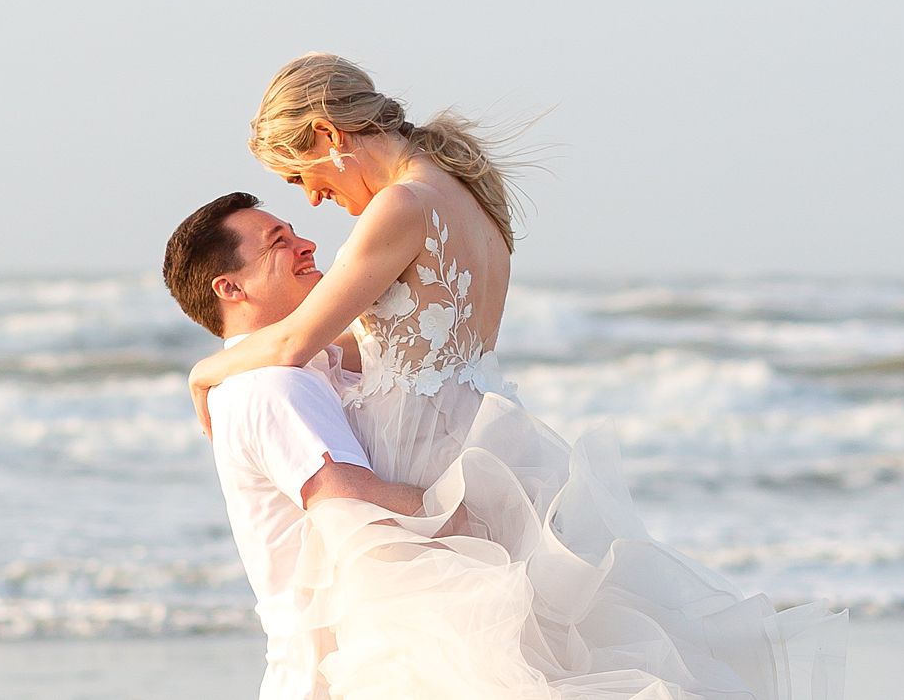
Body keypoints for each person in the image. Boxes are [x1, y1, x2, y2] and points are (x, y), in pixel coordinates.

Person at [186, 54, 848, 700]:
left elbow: (299, 339)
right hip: (485, 449)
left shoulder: (401, 206)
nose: (314, 197)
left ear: (329, 136)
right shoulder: (470, 194)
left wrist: (204, 370)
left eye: (304, 174)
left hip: (424, 471)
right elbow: (401, 345)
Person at [162, 190, 430, 700]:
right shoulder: (272, 387)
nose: (307, 244)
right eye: (279, 242)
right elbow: (348, 500)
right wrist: (475, 512)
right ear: (231, 287)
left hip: (360, 660)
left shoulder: (307, 368)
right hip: (333, 675)